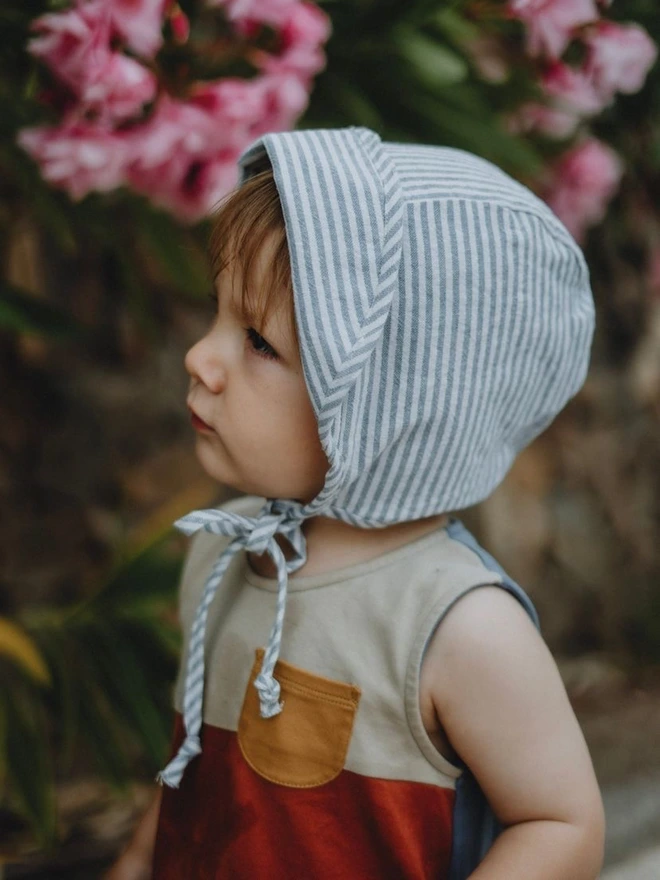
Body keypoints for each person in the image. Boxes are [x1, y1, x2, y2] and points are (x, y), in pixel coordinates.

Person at [106, 127, 605, 879]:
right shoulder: (225, 549)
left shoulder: (459, 624)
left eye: (261, 344)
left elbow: (562, 824)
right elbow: (195, 765)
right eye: (218, 314)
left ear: (393, 405)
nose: (200, 358)